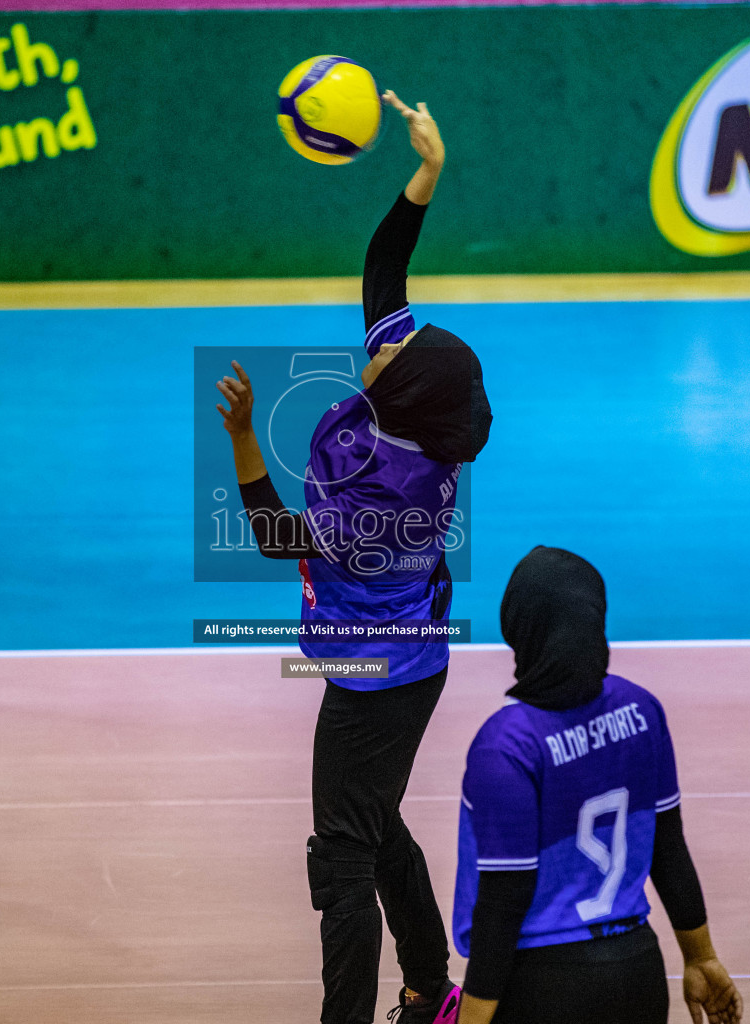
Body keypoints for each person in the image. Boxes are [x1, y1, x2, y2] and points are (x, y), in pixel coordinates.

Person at [214, 94, 491, 1024]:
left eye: (400, 347)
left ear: (398, 389)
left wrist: (244, 438)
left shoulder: (388, 498)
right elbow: (384, 268)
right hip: (402, 660)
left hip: (378, 679)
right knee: (376, 824)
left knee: (340, 858)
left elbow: (273, 537)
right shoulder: (404, 403)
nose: (390, 333)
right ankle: (431, 987)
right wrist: (427, 173)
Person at [453, 547, 742, 1024]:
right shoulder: (640, 709)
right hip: (638, 973)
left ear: (517, 628)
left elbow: (505, 900)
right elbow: (668, 847)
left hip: (541, 986)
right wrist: (700, 957)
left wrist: (471, 1019)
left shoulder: (506, 746)